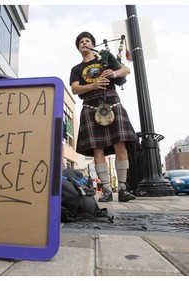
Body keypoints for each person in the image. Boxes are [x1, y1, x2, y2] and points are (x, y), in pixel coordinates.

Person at [70, 31, 137, 202]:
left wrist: (114, 74)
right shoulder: (76, 69)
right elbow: (75, 89)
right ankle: (106, 189)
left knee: (120, 145)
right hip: (90, 105)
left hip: (111, 101)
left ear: (93, 44)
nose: (84, 43)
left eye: (87, 41)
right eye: (81, 42)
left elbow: (126, 69)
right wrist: (94, 85)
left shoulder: (105, 58)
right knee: (97, 148)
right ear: (78, 48)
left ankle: (122, 188)